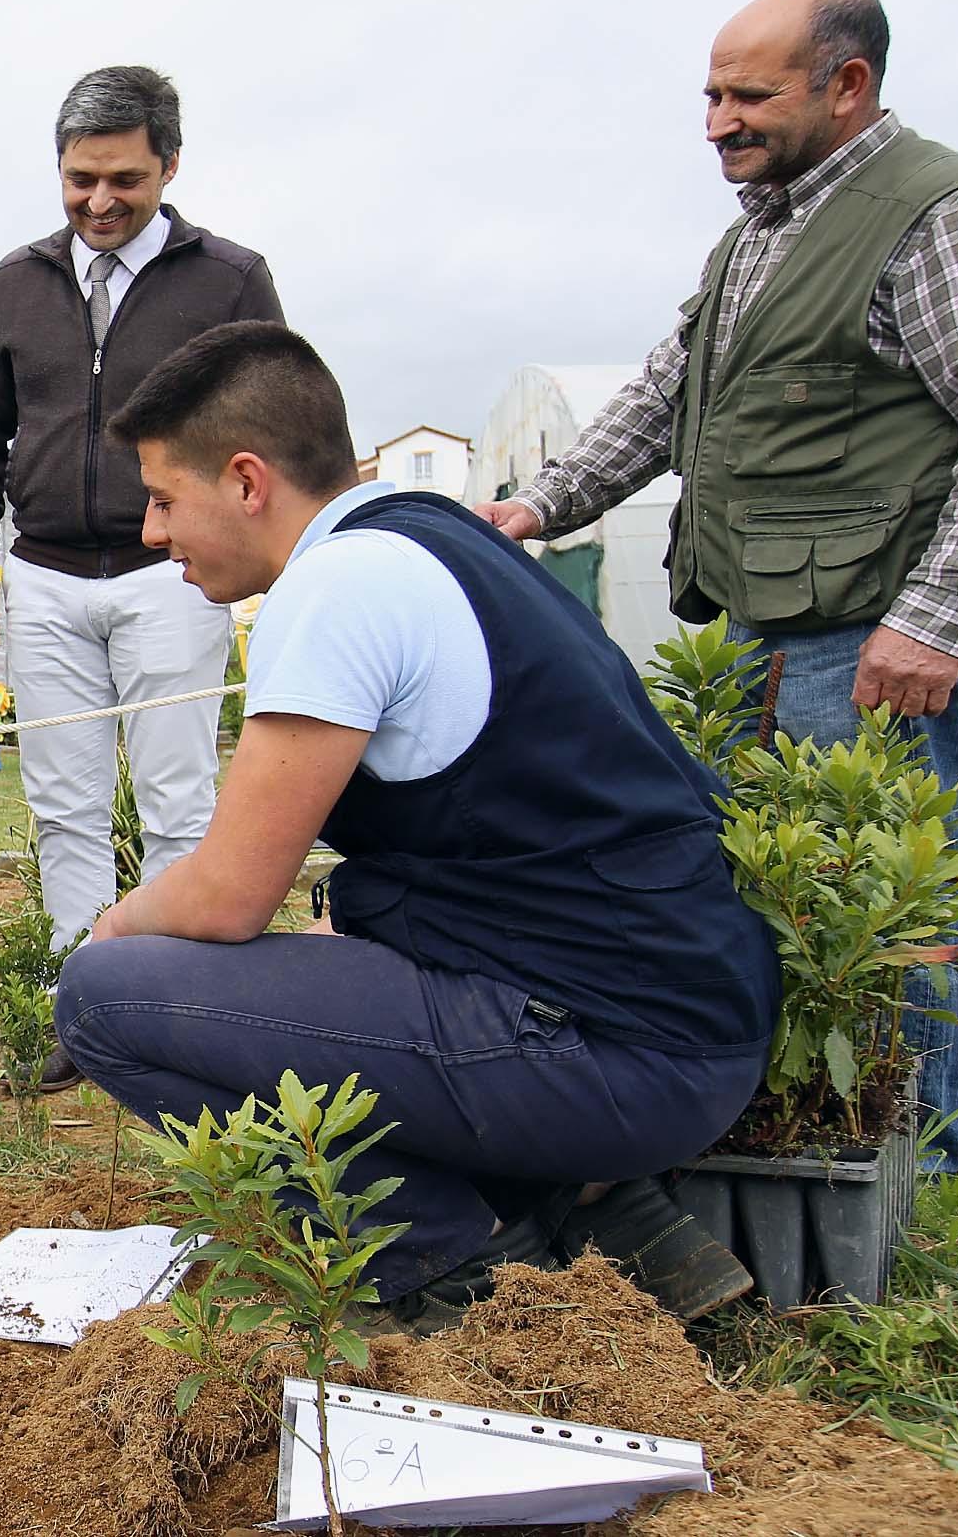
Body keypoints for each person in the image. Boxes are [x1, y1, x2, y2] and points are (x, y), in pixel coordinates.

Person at [60, 320, 775, 1330]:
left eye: (164, 498)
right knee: (316, 959)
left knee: (106, 997)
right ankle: (603, 1210)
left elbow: (226, 895)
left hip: (619, 1058)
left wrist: (109, 928)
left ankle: (457, 1259)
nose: (149, 532)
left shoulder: (335, 588)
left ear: (246, 481)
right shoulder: (435, 538)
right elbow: (478, 842)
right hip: (686, 1020)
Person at [484, 0, 958, 1176]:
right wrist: (535, 505)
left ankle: (920, 1166)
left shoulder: (933, 212)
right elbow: (664, 394)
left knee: (896, 907)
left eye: (747, 96)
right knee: (787, 894)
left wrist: (931, 617)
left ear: (845, 84)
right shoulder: (759, 229)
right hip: (766, 624)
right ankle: (822, 1138)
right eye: (709, 95)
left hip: (873, 629)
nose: (717, 122)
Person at [0, 65, 284, 1092]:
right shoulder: (14, 282)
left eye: (123, 180)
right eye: (79, 179)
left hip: (171, 574)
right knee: (64, 807)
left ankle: (179, 1010)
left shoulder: (228, 280)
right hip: (43, 575)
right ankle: (82, 1009)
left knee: (180, 798)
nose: (98, 201)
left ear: (169, 166)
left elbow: (276, 422)